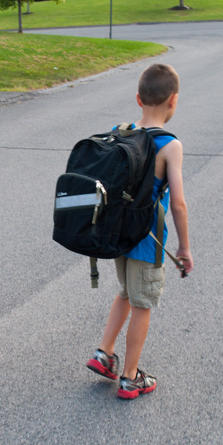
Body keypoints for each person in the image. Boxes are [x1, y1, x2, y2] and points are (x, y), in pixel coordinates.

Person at [85, 63, 194, 399]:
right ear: (173, 100)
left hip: (119, 235)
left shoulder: (123, 131)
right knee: (142, 303)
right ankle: (130, 377)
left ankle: (104, 353)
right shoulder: (170, 145)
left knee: (125, 294)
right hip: (148, 239)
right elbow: (178, 204)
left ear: (138, 99)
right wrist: (184, 248)